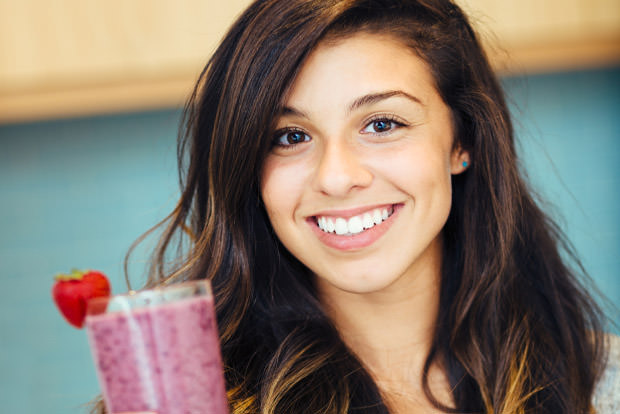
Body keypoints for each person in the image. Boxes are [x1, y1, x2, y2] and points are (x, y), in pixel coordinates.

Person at [92, 0, 619, 413]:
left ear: (463, 142)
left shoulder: (603, 384)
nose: (337, 177)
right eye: (291, 136)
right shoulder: (189, 403)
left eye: (382, 124)